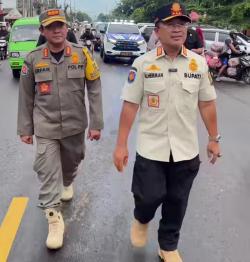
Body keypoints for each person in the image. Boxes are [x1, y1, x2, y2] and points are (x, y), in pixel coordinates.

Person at [113, 2, 221, 262]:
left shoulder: (198, 64)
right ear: (157, 29)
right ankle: (142, 218)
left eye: (182, 24)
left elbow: (206, 104)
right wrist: (121, 145)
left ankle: (168, 246)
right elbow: (130, 106)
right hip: (152, 148)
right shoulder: (142, 64)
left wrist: (213, 139)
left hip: (186, 150)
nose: (178, 29)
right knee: (148, 196)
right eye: (171, 24)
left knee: (177, 201)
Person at [17, 9, 103, 250]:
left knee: (73, 161)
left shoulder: (82, 54)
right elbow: (25, 96)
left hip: (75, 125)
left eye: (60, 25)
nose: (57, 30)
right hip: (45, 126)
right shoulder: (33, 59)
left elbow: (94, 88)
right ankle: (54, 218)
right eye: (51, 26)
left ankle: (68, 180)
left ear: (67, 28)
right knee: (46, 170)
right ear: (42, 31)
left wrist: (96, 123)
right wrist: (26, 128)